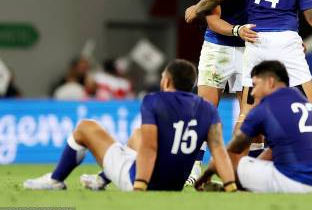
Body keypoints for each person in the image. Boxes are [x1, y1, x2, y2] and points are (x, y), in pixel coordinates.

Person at [24, 59, 236, 192]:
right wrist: (230, 185)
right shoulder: (207, 108)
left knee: (85, 127)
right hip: (175, 184)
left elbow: (150, 148)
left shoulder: (154, 101)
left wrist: (140, 185)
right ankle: (100, 180)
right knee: (137, 136)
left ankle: (55, 180)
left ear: (168, 81)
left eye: (163, 77)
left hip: (140, 180)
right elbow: (219, 151)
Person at [185, 0, 259, 185]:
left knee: (249, 115)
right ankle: (193, 169)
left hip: (250, 49)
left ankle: (243, 172)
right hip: (218, 47)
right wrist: (238, 30)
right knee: (204, 112)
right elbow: (213, 22)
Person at [196, 60, 312, 194]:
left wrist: (209, 172)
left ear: (270, 82)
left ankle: (235, 188)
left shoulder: (266, 106)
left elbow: (233, 150)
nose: (253, 92)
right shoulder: (303, 101)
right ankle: (249, 186)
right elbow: (275, 149)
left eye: (255, 85)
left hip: (293, 182)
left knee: (222, 160)